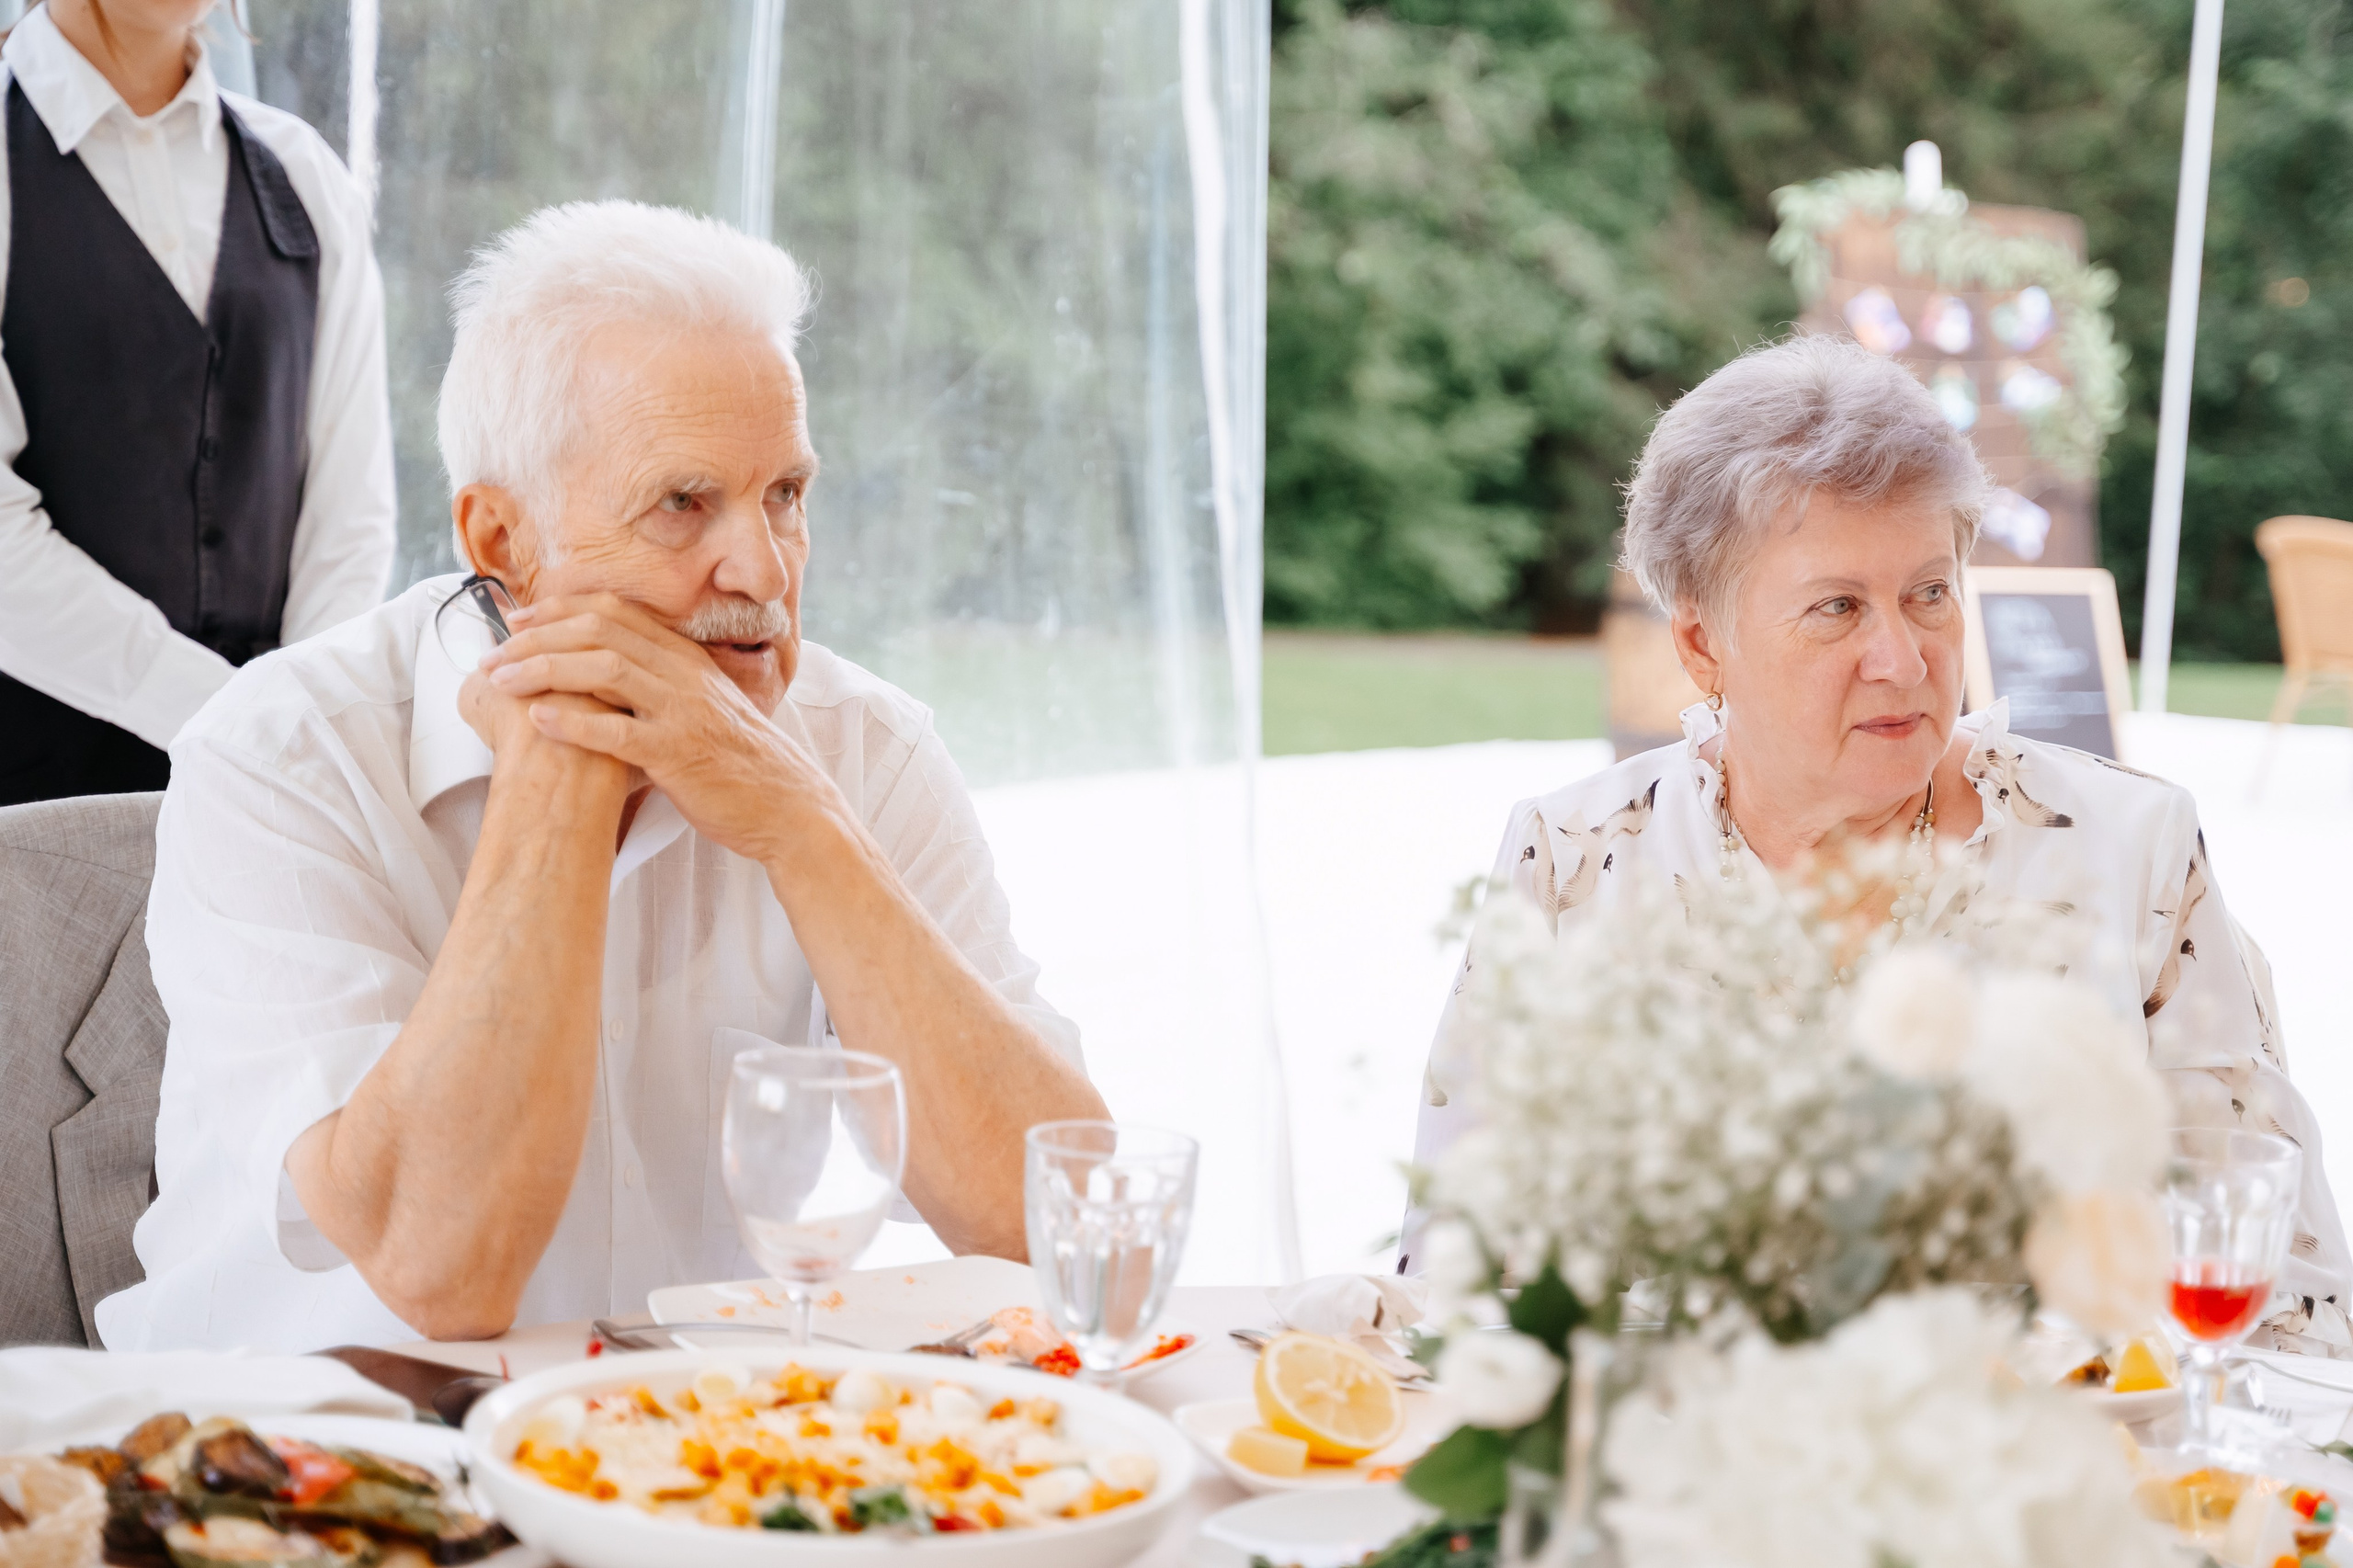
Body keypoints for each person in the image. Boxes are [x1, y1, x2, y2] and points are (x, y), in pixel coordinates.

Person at [97, 199, 1107, 1352]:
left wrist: (802, 825)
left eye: (786, 493)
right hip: (290, 1467)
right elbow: (442, 1271)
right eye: (684, 504)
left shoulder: (862, 747)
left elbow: (1054, 1225)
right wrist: (561, 769)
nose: (765, 568)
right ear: (501, 546)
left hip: (683, 1465)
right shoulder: (280, 753)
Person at [1403, 334, 2353, 1354]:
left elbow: (2289, 1305)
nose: (1901, 659)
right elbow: (1454, 1276)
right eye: (1836, 607)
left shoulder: (2131, 848)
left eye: (1930, 593)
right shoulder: (1573, 859)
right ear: (1698, 642)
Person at [0, 0, 392, 805]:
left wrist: (298, 741)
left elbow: (349, 522)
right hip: (31, 813)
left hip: (266, 810)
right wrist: (239, 723)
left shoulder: (306, 178)